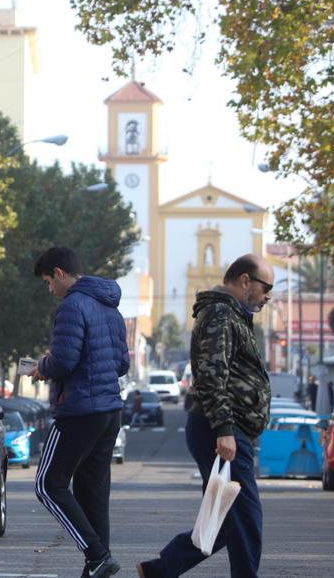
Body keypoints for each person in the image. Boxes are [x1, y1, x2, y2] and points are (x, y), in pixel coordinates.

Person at [138, 253, 274, 578]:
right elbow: (213, 375)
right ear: (245, 281)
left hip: (223, 427)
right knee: (245, 518)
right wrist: (225, 429)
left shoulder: (232, 315)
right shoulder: (220, 314)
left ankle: (161, 570)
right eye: (266, 287)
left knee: (224, 519)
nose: (269, 295)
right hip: (220, 429)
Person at [28, 246, 129, 578]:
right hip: (109, 410)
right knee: (93, 493)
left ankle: (97, 555)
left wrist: (43, 367)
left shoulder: (71, 306)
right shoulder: (109, 307)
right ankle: (98, 566)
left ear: (59, 273)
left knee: (48, 484)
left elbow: (65, 361)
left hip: (79, 411)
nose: (49, 290)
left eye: (47, 282)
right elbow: (122, 364)